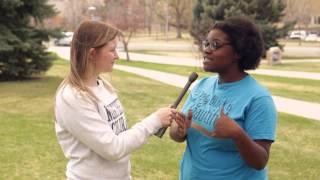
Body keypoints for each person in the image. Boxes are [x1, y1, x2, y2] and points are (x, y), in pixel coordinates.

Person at [54, 20, 176, 180]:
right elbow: (113, 148)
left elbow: (120, 136)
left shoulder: (103, 86)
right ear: (92, 54)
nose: (117, 55)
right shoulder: (72, 97)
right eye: (112, 50)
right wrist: (155, 121)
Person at [170, 16, 277, 180]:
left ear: (238, 52)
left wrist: (237, 134)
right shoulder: (201, 86)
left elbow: (260, 161)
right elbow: (178, 134)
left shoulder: (258, 98)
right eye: (206, 43)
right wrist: (178, 130)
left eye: (215, 45)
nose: (206, 50)